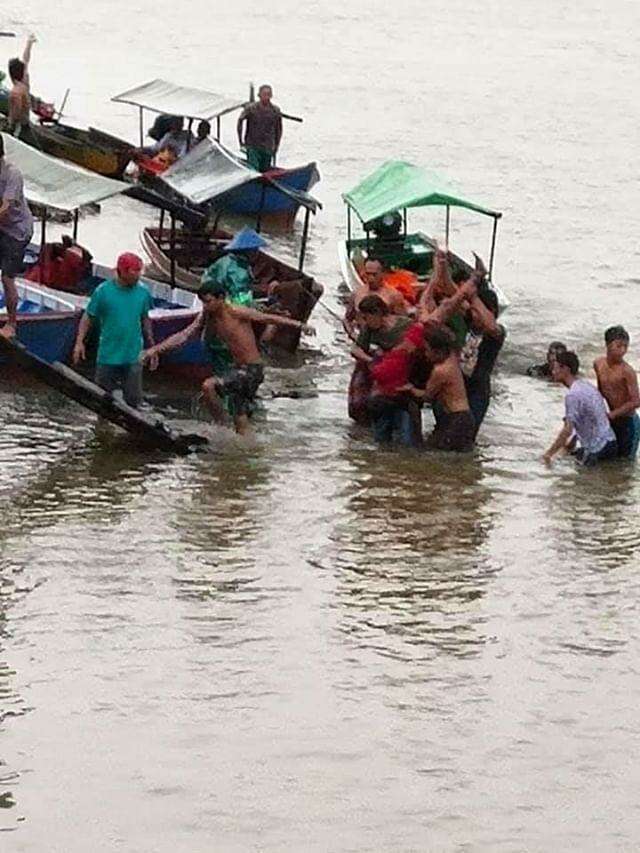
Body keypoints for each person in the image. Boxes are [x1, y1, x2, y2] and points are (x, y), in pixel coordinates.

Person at [141, 280, 314, 435]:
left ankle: (221, 428)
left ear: (221, 298)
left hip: (252, 370)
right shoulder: (207, 316)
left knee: (209, 386)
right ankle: (246, 451)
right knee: (240, 419)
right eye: (203, 302)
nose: (205, 306)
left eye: (208, 302)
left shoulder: (236, 312)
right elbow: (185, 335)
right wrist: (155, 349)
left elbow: (267, 318)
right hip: (237, 369)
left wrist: (301, 325)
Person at [72, 253, 155, 408]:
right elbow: (88, 317)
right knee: (101, 399)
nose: (137, 276)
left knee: (135, 401)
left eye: (139, 272)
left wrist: (152, 345)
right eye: (133, 273)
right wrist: (79, 342)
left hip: (133, 354)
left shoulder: (143, 292)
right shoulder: (103, 291)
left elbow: (145, 318)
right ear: (122, 272)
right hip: (108, 354)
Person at [408, 326, 477, 452]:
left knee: (433, 453)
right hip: (465, 418)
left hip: (455, 420)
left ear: (438, 351)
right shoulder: (452, 360)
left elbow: (427, 397)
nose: (425, 354)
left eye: (427, 350)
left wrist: (410, 388)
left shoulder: (440, 371)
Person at [543, 350, 618, 466]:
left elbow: (567, 430)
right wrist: (570, 444)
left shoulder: (572, 395)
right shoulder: (586, 385)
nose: (553, 372)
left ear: (566, 369)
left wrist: (548, 454)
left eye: (555, 368)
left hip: (597, 449)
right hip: (610, 442)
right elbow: (586, 418)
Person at [0, 133, 34, 338]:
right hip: (2, 227)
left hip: (18, 231)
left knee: (7, 276)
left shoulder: (12, 174)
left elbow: (5, 208)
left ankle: (12, 323)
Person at [460, 286, 506, 436]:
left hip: (477, 391)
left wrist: (474, 298)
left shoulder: (496, 333)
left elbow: (491, 326)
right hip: (459, 386)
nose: (473, 314)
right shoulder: (468, 324)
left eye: (477, 311)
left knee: (467, 435)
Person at [593, 325, 640, 458]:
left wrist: (613, 414)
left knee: (625, 463)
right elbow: (600, 391)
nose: (623, 350)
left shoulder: (627, 371)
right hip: (611, 420)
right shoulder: (598, 364)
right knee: (610, 461)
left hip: (628, 423)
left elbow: (636, 401)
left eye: (626, 346)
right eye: (619, 346)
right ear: (607, 344)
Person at [344, 258, 408, 337]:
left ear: (382, 273)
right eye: (368, 274)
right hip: (361, 338)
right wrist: (352, 334)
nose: (371, 278)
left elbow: (404, 323)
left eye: (374, 274)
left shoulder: (394, 295)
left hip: (384, 339)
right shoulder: (357, 293)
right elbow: (347, 319)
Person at [237, 84, 282, 172]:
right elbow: (240, 120)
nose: (266, 97)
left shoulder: (275, 110)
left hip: (268, 146)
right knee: (254, 170)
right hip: (253, 145)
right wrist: (241, 141)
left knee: (265, 170)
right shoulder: (251, 108)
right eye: (264, 94)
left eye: (268, 94)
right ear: (259, 95)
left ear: (271, 96)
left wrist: (276, 145)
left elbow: (279, 129)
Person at [7, 34, 40, 148]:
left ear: (10, 74)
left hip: (20, 129)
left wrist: (9, 127)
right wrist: (29, 43)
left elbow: (15, 114)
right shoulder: (25, 83)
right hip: (27, 125)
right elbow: (26, 60)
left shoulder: (15, 93)